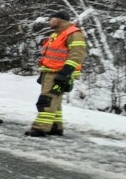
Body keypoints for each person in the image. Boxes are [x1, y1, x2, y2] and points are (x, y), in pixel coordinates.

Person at [26, 10, 87, 138]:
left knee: (46, 101)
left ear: (59, 19)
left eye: (51, 19)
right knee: (55, 101)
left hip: (59, 73)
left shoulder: (73, 34)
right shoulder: (56, 34)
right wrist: (43, 73)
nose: (49, 22)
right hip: (49, 72)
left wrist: (64, 73)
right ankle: (55, 126)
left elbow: (77, 55)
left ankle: (40, 128)